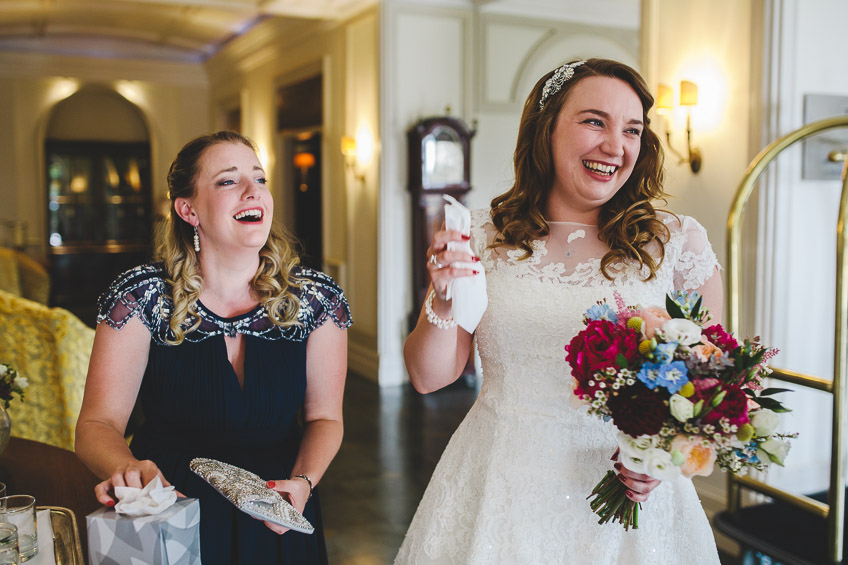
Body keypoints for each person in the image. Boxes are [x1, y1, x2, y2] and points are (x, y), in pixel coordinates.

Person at [395, 58, 723, 564]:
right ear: (546, 129)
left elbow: (709, 383)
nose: (616, 146)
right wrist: (441, 298)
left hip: (630, 502)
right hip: (502, 487)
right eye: (595, 121)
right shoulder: (483, 236)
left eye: (631, 129)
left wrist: (662, 457)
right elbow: (428, 377)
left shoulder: (675, 244)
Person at [75, 131, 351, 564]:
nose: (252, 190)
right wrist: (126, 468)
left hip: (275, 516)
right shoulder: (144, 297)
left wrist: (303, 481)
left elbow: (325, 417)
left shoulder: (314, 300)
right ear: (188, 209)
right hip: (172, 512)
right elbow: (97, 424)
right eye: (227, 181)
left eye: (259, 179)